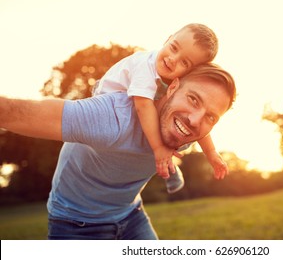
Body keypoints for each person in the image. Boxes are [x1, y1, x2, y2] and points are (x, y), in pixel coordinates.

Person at [0, 63, 236, 240]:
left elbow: (200, 128)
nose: (195, 121)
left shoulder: (185, 128)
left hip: (130, 215)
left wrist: (212, 155)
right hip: (75, 225)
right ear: (172, 87)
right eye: (193, 99)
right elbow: (12, 112)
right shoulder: (112, 117)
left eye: (211, 117)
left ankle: (171, 172)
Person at [94, 23, 227, 194]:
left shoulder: (175, 80)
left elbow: (198, 119)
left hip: (135, 106)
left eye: (184, 62)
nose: (173, 59)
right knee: (155, 134)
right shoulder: (145, 66)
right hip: (110, 104)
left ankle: (168, 168)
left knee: (177, 126)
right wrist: (158, 148)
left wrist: (211, 153)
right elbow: (143, 106)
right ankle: (165, 165)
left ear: (190, 72)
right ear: (168, 39)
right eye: (174, 48)